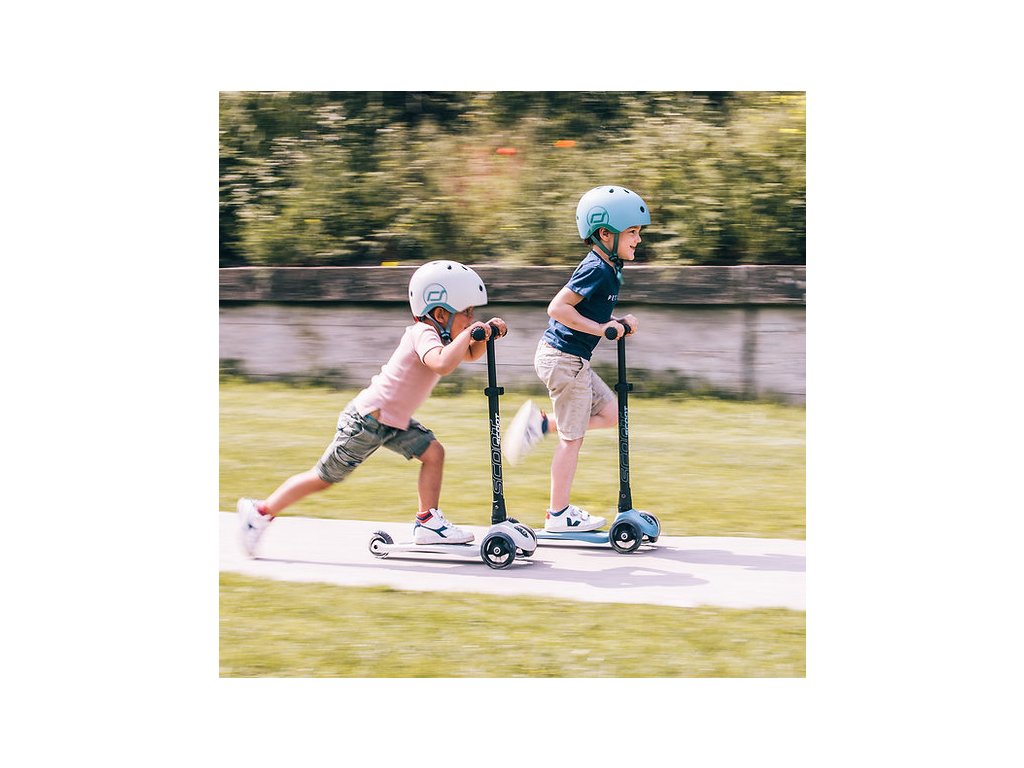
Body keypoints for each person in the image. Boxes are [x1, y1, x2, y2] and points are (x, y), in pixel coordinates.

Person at [237, 260, 507, 557]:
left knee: (434, 453)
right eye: (467, 312)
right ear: (441, 313)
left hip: (392, 422)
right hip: (366, 422)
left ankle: (428, 522)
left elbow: (469, 354)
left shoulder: (441, 335)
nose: (471, 318)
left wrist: (488, 333)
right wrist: (471, 334)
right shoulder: (422, 333)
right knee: (324, 478)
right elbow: (442, 363)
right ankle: (260, 512)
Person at [503, 185, 650, 532]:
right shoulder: (596, 267)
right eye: (632, 232)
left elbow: (593, 314)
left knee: (611, 413)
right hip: (563, 359)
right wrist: (602, 329)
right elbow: (558, 308)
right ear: (605, 234)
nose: (638, 239)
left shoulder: (610, 267)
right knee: (572, 440)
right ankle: (558, 514)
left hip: (573, 360)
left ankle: (542, 425)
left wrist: (616, 323)